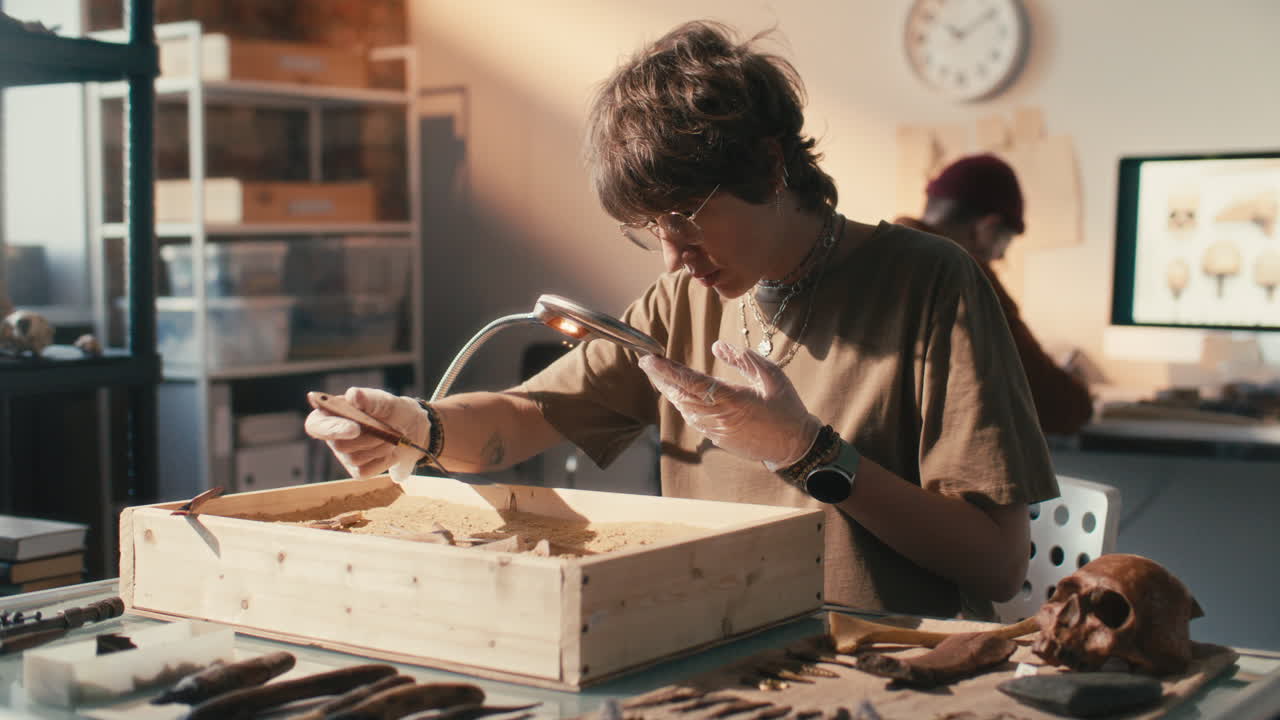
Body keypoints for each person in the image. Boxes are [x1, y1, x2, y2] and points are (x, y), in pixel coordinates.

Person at [307, 21, 1059, 621]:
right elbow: (527, 415)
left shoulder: (932, 283)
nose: (673, 256)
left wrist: (807, 452)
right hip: (718, 654)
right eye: (650, 228)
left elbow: (996, 564)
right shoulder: (679, 304)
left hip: (890, 671)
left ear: (770, 167)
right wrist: (414, 426)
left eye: (686, 217)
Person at [896, 154, 1094, 436]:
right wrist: (1080, 392)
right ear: (985, 228)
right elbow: (1053, 405)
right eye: (1005, 243)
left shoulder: (876, 258)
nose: (1000, 257)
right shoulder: (967, 276)